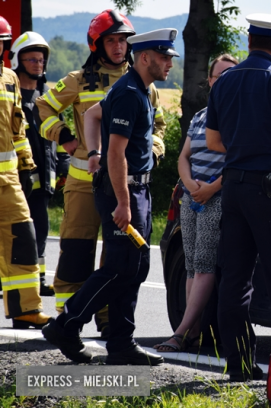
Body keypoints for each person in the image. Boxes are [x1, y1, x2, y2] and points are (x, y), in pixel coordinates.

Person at [42, 28, 178, 366]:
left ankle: (120, 342)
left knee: (135, 267)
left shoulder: (138, 88)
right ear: (145, 57)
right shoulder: (130, 92)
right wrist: (122, 201)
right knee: (120, 266)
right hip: (125, 189)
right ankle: (66, 324)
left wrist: (92, 153)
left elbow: (92, 115)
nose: (169, 64)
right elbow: (116, 153)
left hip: (135, 189)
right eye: (164, 57)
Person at [205, 13, 271, 382]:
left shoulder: (225, 82)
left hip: (234, 189)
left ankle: (238, 368)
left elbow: (213, 142)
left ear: (249, 41)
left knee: (235, 280)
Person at [154, 54, 237, 353]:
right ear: (211, 80)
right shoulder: (201, 115)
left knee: (203, 267)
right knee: (191, 268)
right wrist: (190, 186)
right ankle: (193, 332)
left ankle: (180, 333)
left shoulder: (239, 114)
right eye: (219, 75)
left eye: (231, 74)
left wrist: (211, 189)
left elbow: (239, 161)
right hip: (192, 197)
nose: (224, 80)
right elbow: (183, 158)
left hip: (217, 199)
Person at [0, 16, 53, 329]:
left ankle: (25, 309)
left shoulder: (9, 79)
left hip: (8, 182)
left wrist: (29, 168)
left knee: (24, 240)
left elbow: (18, 130)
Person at [10, 31, 56, 297]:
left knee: (40, 230)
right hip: (16, 179)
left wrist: (61, 165)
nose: (38, 64)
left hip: (43, 179)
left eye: (41, 60)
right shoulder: (11, 96)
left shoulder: (46, 98)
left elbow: (56, 138)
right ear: (19, 61)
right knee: (16, 232)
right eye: (32, 60)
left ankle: (37, 279)